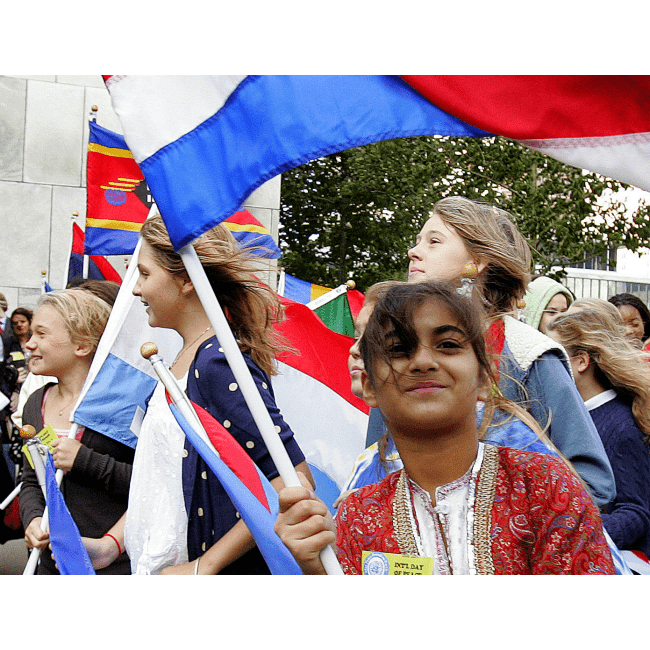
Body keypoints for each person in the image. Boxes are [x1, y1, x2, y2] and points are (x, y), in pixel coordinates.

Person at [275, 281, 615, 574]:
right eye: (397, 349)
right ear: (368, 386)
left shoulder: (545, 487)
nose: (423, 361)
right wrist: (318, 571)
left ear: (485, 377)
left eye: (448, 345)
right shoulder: (358, 512)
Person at [84, 211, 311, 575]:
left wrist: (203, 566)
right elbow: (164, 478)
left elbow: (291, 480)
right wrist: (111, 544)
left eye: (144, 273)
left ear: (186, 279)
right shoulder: (185, 359)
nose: (135, 288)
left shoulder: (217, 363)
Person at [366, 196, 615, 509]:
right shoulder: (393, 353)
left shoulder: (530, 355)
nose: (413, 251)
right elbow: (373, 469)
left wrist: (495, 519)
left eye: (434, 241)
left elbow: (594, 483)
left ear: (479, 260)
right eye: (418, 241)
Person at [18, 288, 134, 574]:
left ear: (82, 345)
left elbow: (151, 485)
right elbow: (31, 478)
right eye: (30, 333)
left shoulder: (123, 405)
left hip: (110, 565)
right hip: (50, 564)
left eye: (41, 334)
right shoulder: (37, 402)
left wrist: (85, 460)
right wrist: (32, 518)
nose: (30, 344)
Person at [547, 299, 650, 566]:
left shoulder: (622, 425)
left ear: (581, 362)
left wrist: (572, 533)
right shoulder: (569, 414)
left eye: (552, 358)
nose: (543, 368)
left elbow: (636, 512)